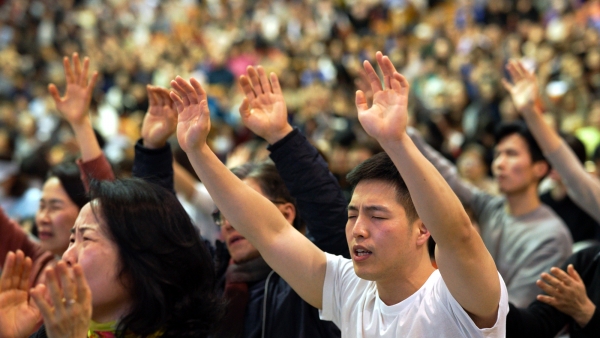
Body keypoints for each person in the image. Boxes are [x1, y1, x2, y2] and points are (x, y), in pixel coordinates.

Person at [171, 52, 508, 337]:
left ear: (423, 228)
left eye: (376, 215)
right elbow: (269, 231)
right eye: (352, 214)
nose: (358, 229)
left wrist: (396, 141)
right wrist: (198, 152)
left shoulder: (455, 297)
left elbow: (458, 236)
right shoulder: (350, 289)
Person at [140, 66, 347, 337]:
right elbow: (154, 232)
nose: (228, 224)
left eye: (238, 213)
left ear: (286, 214)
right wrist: (152, 150)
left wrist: (281, 136)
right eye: (222, 215)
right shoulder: (209, 279)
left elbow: (330, 217)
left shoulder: (312, 283)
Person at [0, 178, 223, 338]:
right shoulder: (53, 331)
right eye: (71, 240)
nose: (66, 256)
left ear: (142, 257)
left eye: (86, 239)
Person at [408, 119, 572, 308]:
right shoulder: (494, 208)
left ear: (540, 168)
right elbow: (447, 178)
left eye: (511, 154)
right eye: (497, 154)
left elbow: (515, 312)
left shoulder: (551, 236)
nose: (499, 163)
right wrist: (403, 133)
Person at [502, 59, 600, 337]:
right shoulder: (589, 261)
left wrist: (586, 313)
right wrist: (480, 299)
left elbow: (576, 179)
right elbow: (533, 326)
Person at [0, 53, 113, 286]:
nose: (42, 218)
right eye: (42, 206)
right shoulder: (37, 261)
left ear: (85, 211)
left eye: (54, 207)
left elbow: (107, 196)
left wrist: (81, 123)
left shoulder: (101, 275)